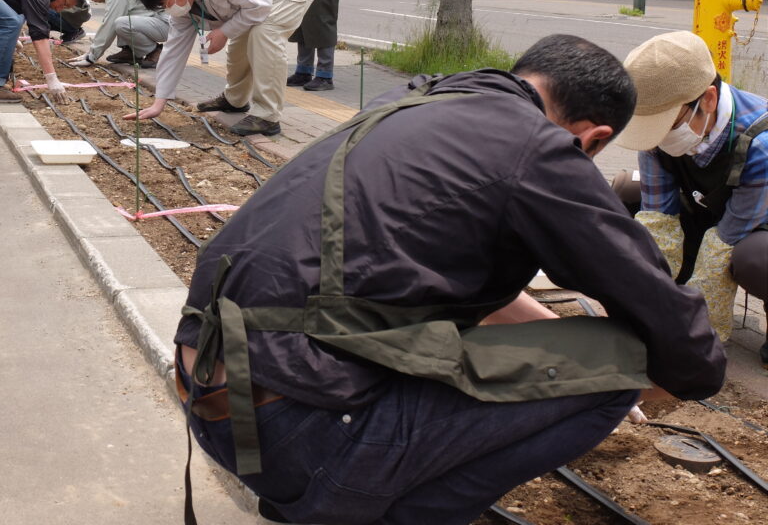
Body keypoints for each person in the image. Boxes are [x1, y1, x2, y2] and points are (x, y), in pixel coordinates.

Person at [174, 33, 726, 525]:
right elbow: (650, 297)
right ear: (594, 138)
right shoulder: (537, 147)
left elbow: (455, 281)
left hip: (212, 398)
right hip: (294, 431)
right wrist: (682, 372)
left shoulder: (414, 101)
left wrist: (552, 343)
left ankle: (311, 495)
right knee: (619, 364)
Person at [613, 30, 768, 359]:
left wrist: (699, 333)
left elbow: (726, 240)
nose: (658, 138)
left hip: (756, 225)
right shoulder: (660, 137)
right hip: (709, 206)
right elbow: (658, 219)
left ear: (708, 100)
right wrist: (646, 304)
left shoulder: (760, 141)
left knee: (754, 259)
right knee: (625, 191)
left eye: (668, 124)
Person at [132, 0, 322, 137]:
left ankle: (267, 115)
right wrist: (159, 102)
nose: (168, 9)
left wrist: (223, 32)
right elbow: (174, 50)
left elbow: (259, 7)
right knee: (240, 37)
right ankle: (235, 100)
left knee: (265, 32)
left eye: (166, 3)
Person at [67, 0, 168, 69]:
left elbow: (108, 26)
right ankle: (131, 51)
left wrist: (91, 57)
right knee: (121, 18)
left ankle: (154, 51)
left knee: (121, 23)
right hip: (157, 21)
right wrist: (90, 53)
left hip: (166, 24)